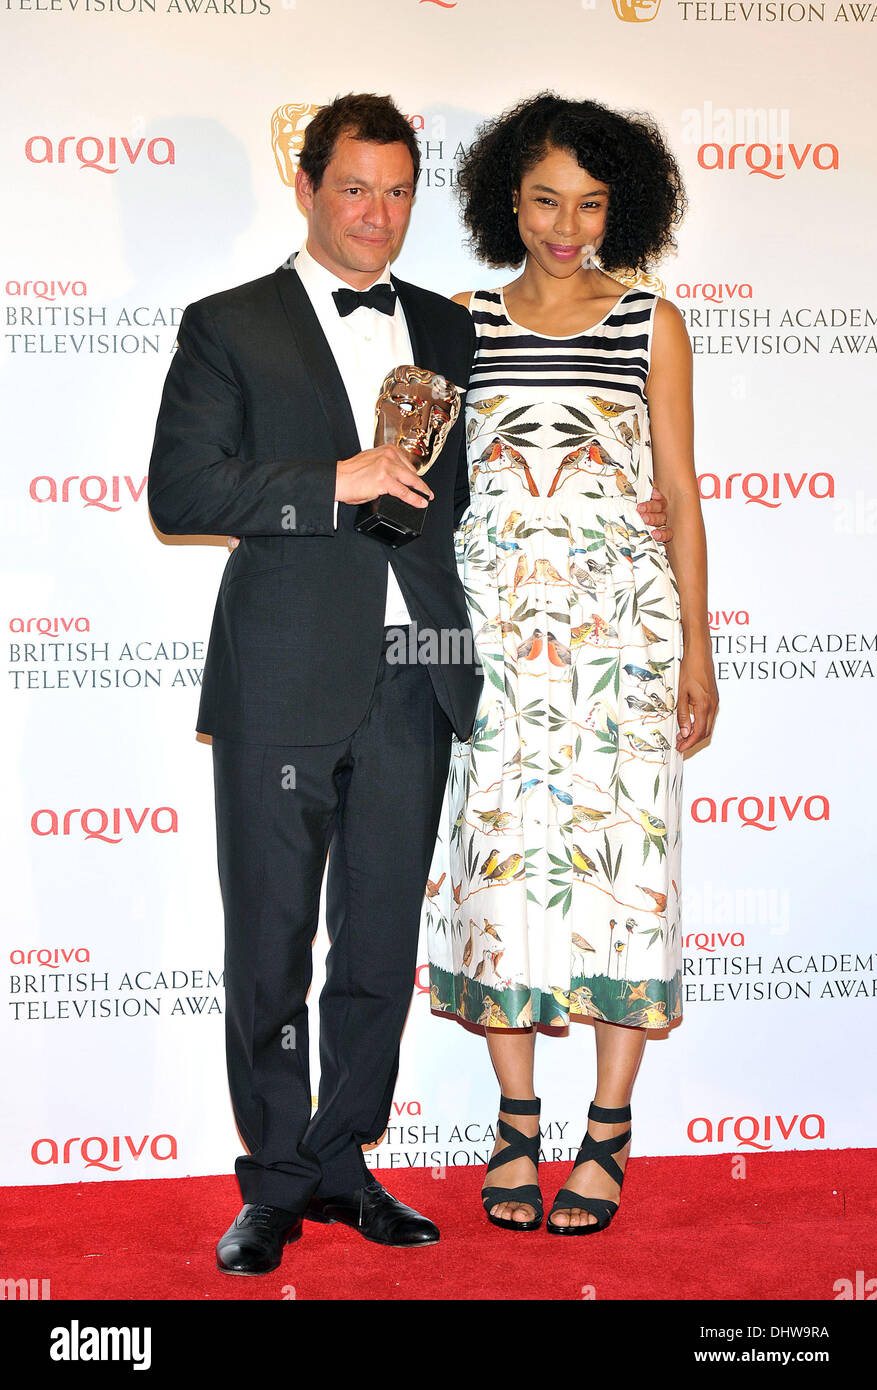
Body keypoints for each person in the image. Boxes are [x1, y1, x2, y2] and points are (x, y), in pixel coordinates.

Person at [147, 93, 488, 1275]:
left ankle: (345, 1158)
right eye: (354, 187)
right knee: (271, 946)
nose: (377, 214)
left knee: (380, 942)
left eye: (397, 190)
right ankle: (277, 1177)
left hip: (416, 672)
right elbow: (182, 492)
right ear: (306, 186)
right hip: (283, 674)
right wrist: (329, 480)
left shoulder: (451, 328)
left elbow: (476, 497)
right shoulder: (227, 324)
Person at [422, 93, 719, 1234]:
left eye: (591, 204)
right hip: (491, 644)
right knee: (499, 880)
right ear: (509, 198)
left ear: (619, 208)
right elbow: (428, 491)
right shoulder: (460, 322)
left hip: (623, 644)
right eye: (547, 200)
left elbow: (683, 498)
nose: (567, 226)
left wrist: (698, 645)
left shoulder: (652, 321)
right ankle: (512, 1123)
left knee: (621, 880)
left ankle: (606, 1130)